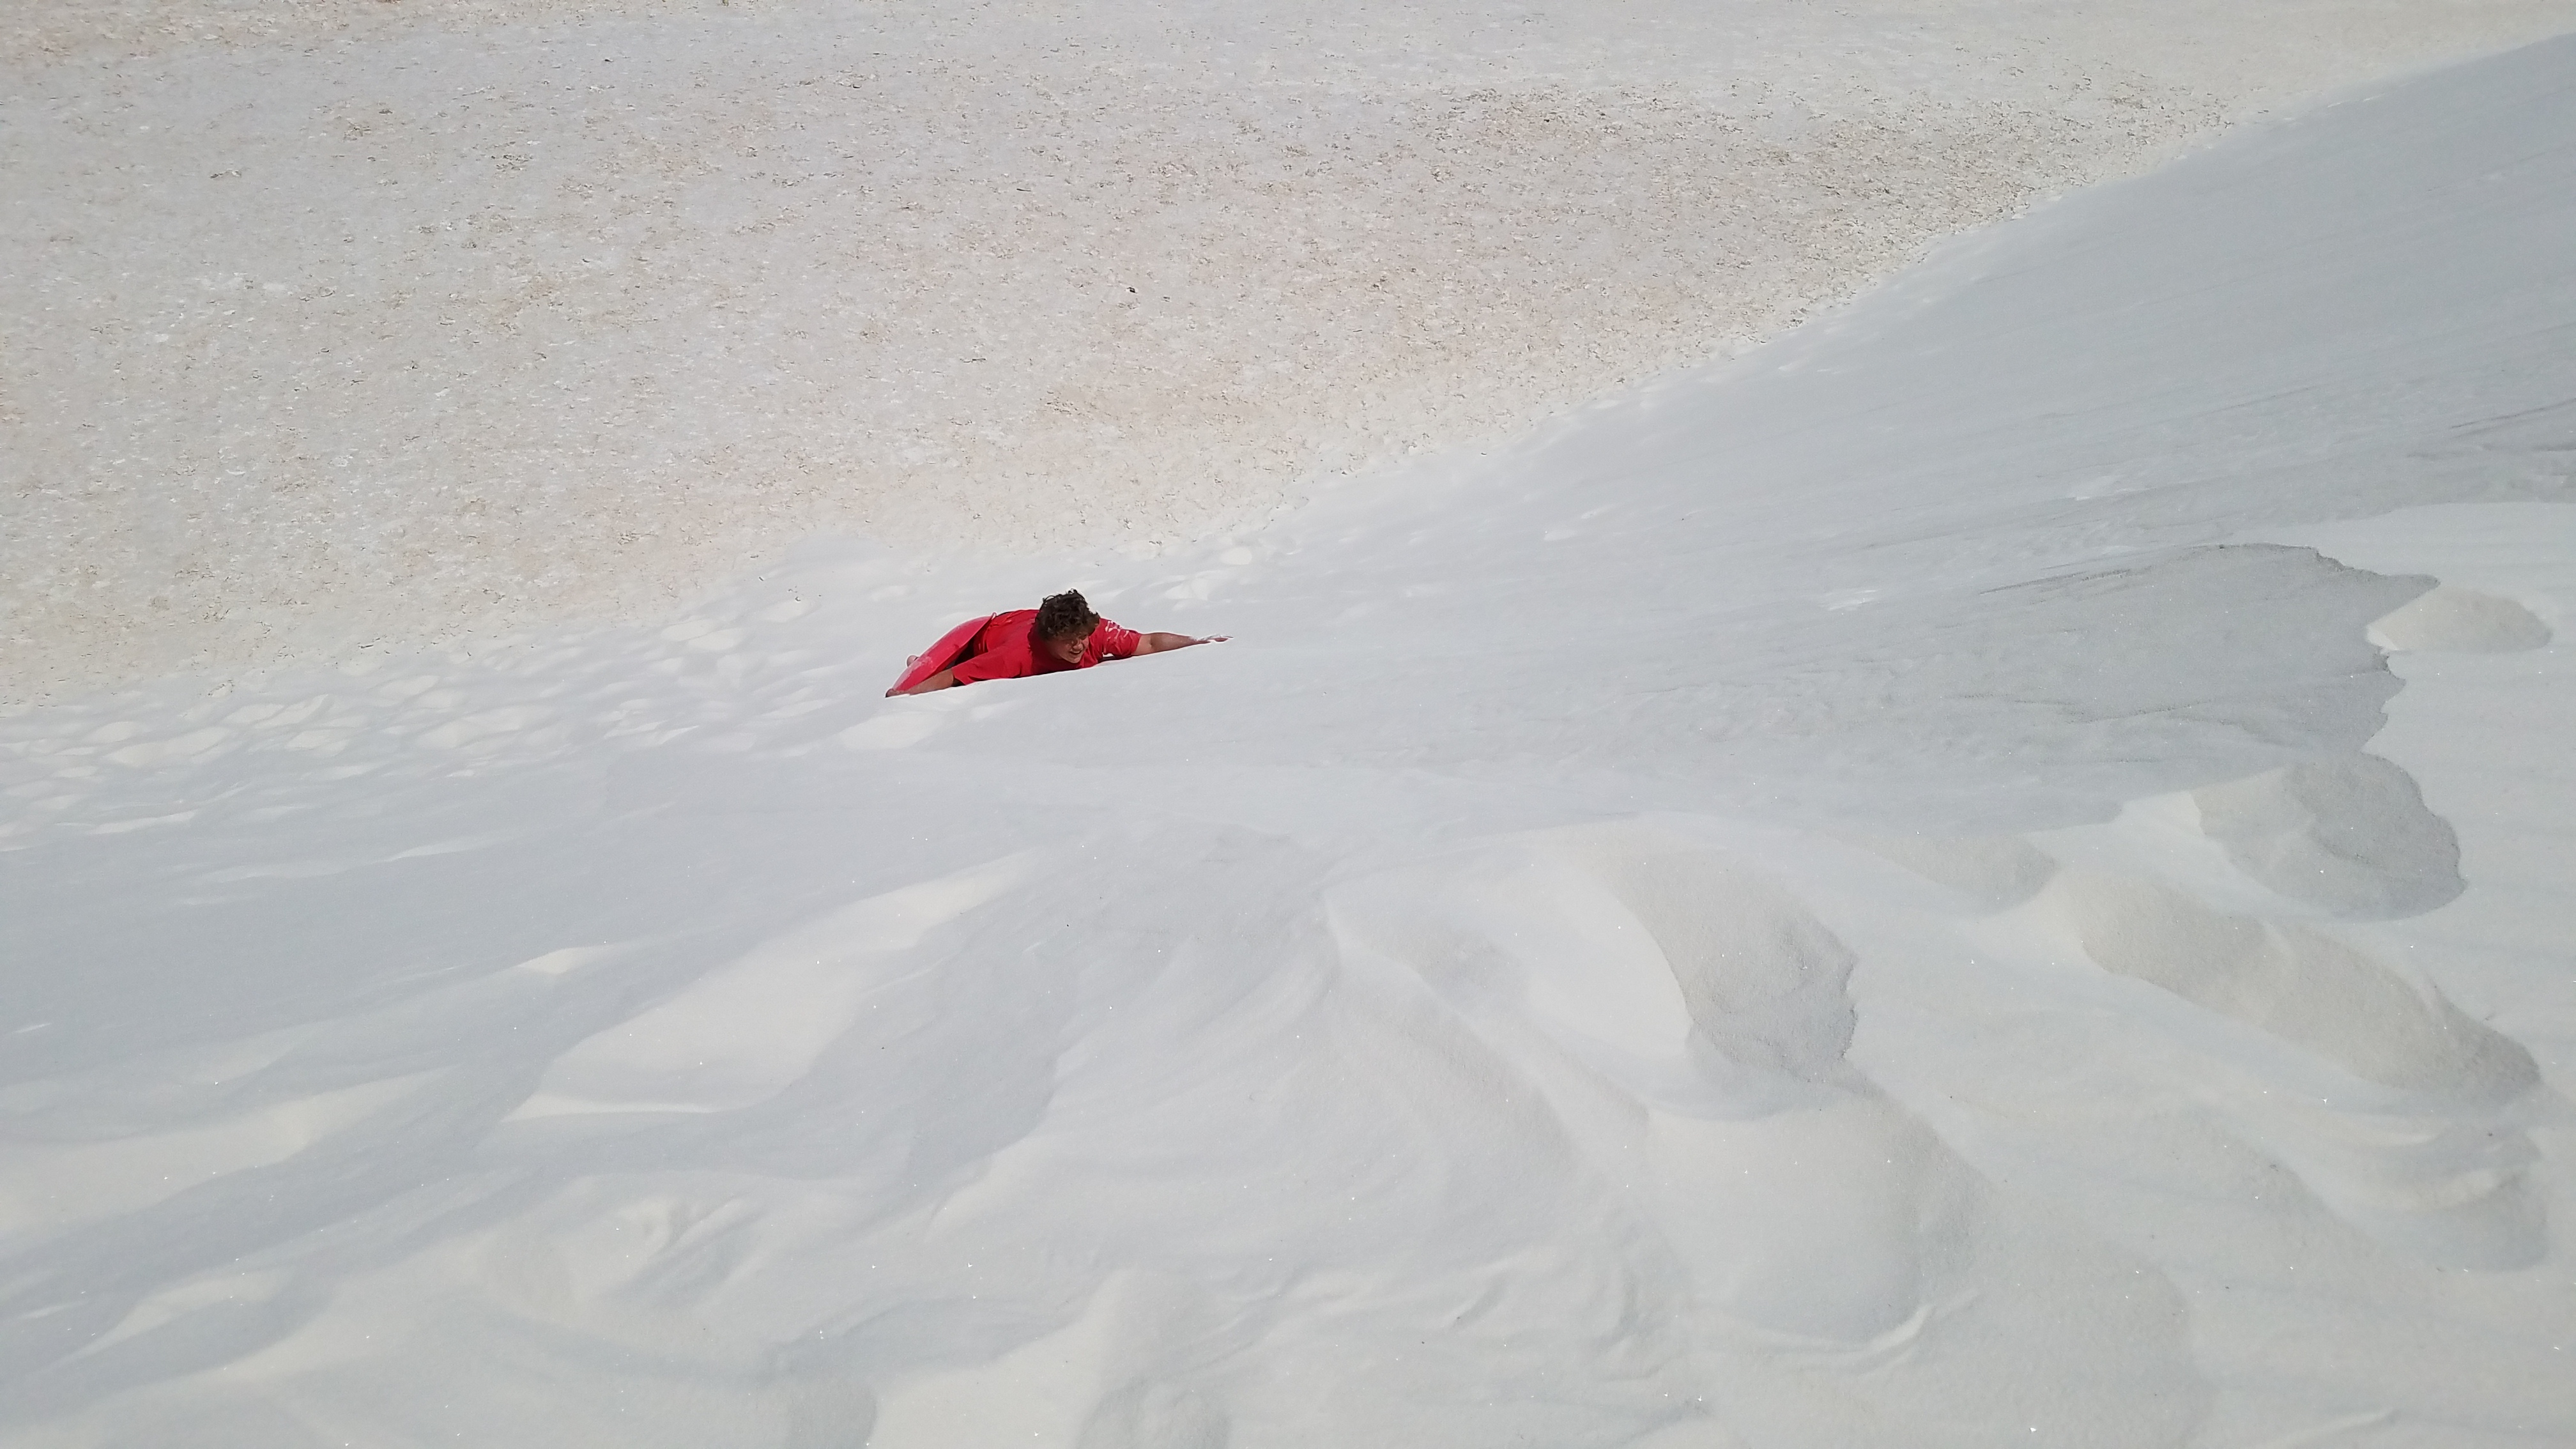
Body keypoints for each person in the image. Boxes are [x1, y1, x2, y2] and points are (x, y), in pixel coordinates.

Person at [885, 589, 1226, 696]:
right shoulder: (1015, 658)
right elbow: (954, 677)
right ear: (1050, 640)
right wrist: (907, 692)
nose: (1078, 647)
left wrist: (1197, 642)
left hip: (1024, 620)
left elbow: (1149, 642)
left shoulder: (1098, 633)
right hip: (988, 634)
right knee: (957, 667)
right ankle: (916, 659)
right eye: (1068, 642)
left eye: (1081, 638)